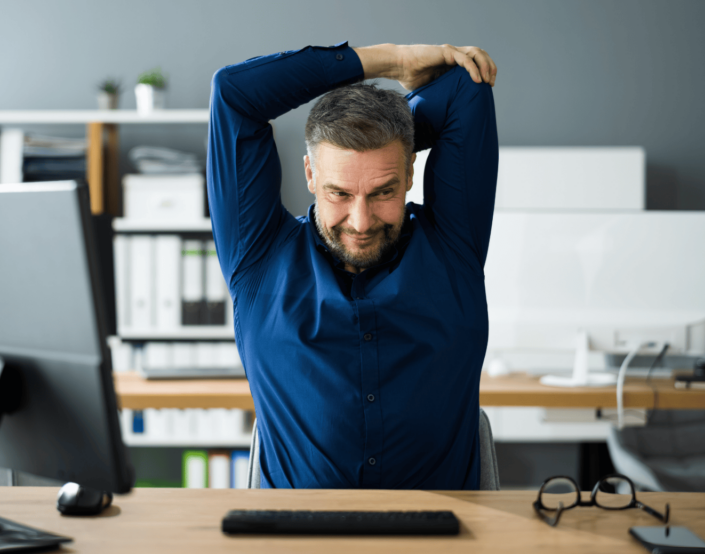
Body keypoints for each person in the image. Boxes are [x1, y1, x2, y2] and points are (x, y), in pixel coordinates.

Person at [207, 42, 498, 489]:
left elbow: (466, 89)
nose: (360, 224)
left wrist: (391, 131)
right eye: (339, 193)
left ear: (409, 175)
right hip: (295, 547)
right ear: (310, 174)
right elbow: (234, 93)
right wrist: (393, 61)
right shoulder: (259, 256)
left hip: (443, 548)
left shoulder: (451, 248)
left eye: (383, 192)